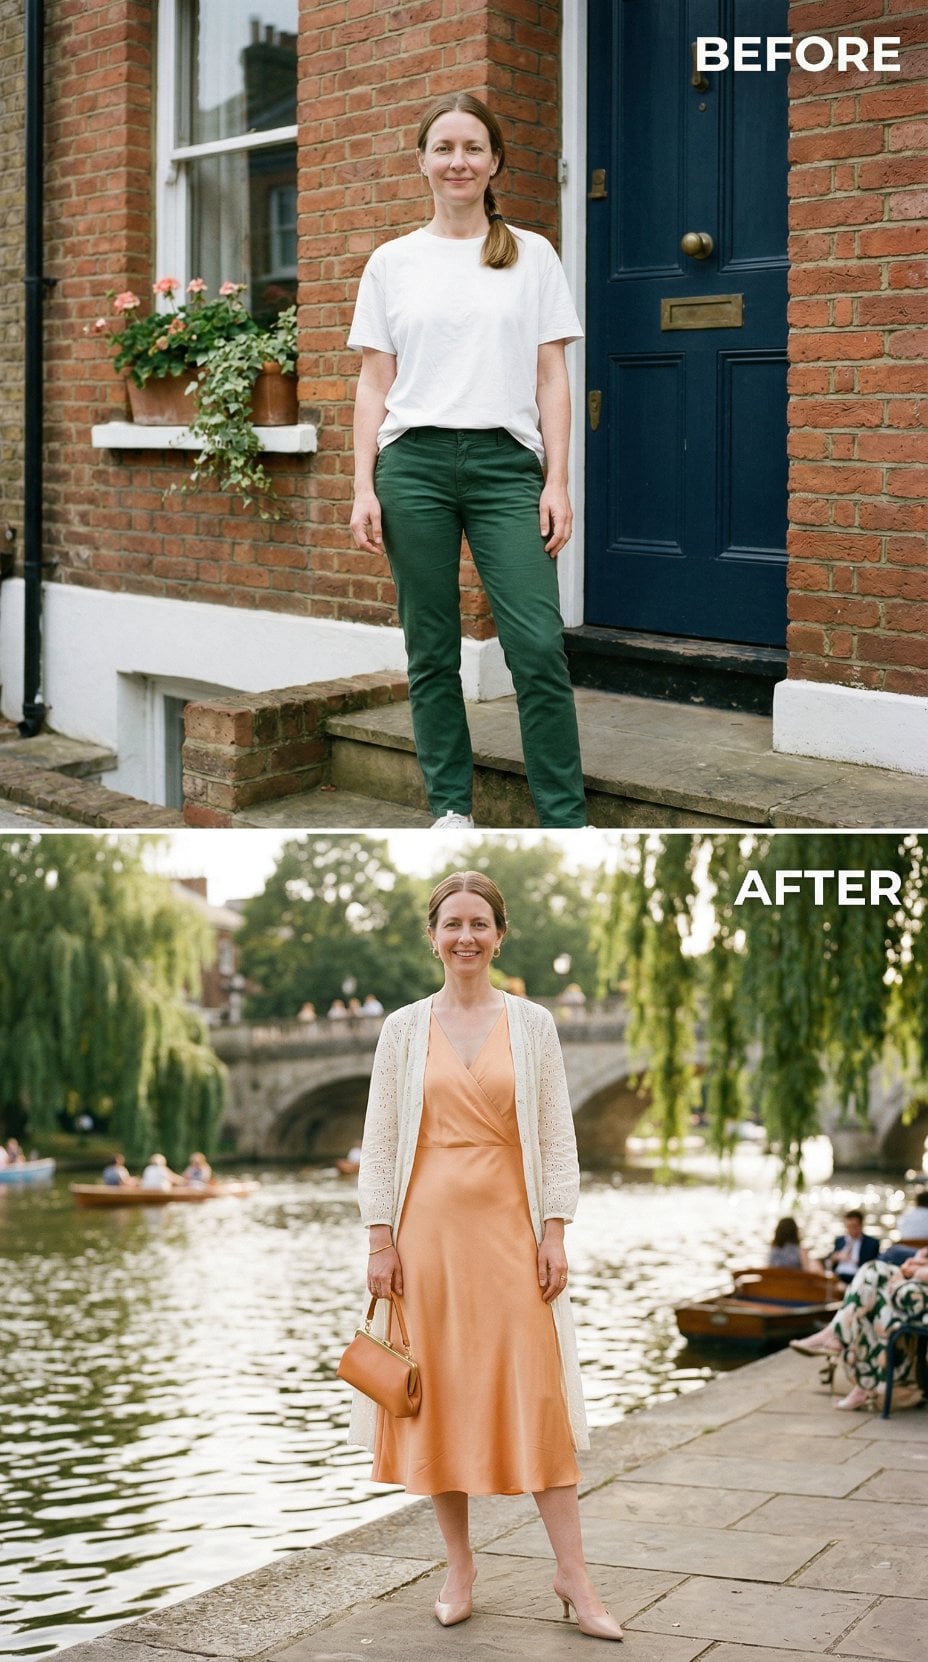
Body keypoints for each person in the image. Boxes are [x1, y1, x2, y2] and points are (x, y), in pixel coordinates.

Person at [350, 871, 621, 1641]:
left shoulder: (533, 1024)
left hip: (512, 1232)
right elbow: (380, 1144)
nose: (465, 936)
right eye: (451, 923)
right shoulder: (402, 1029)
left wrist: (556, 1228)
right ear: (432, 936)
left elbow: (557, 1136)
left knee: (540, 1398)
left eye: (479, 923)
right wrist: (379, 1238)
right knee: (435, 1401)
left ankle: (574, 1575)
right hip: (424, 1238)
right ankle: (459, 1567)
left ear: (499, 935)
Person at [348, 92, 587, 832]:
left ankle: (562, 818)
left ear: (495, 163)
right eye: (444, 147)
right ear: (422, 161)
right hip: (412, 466)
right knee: (430, 650)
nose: (458, 160)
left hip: (505, 467)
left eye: (473, 148)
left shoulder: (533, 254)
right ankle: (450, 808)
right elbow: (373, 384)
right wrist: (362, 486)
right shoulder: (392, 262)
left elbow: (552, 376)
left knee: (538, 645)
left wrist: (557, 480)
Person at [790, 1249, 928, 1410]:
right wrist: (917, 1262)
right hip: (913, 1291)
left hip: (918, 1296)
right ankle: (863, 1385)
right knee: (872, 1279)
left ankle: (836, 1336)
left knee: (875, 1284)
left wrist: (915, 1271)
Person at [824, 1209, 881, 1283]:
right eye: (848, 1227)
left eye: (854, 1227)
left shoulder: (872, 1243)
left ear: (861, 1225)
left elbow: (872, 1266)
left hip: (858, 1278)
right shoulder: (840, 1240)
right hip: (838, 1277)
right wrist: (836, 1257)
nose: (851, 1230)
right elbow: (829, 1262)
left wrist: (853, 1260)